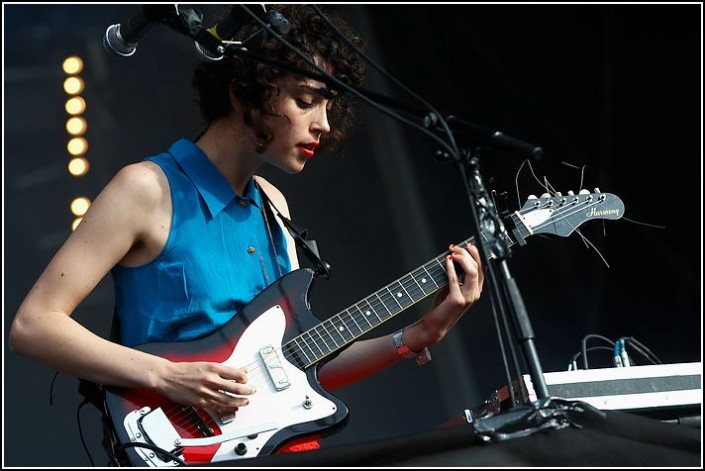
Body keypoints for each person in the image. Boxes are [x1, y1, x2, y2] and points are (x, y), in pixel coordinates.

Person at [9, 3, 483, 462]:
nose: (323, 124)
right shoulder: (147, 188)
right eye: (305, 100)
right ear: (244, 93)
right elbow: (34, 325)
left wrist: (418, 333)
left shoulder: (274, 205)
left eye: (327, 105)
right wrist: (165, 376)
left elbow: (295, 367)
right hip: (175, 449)